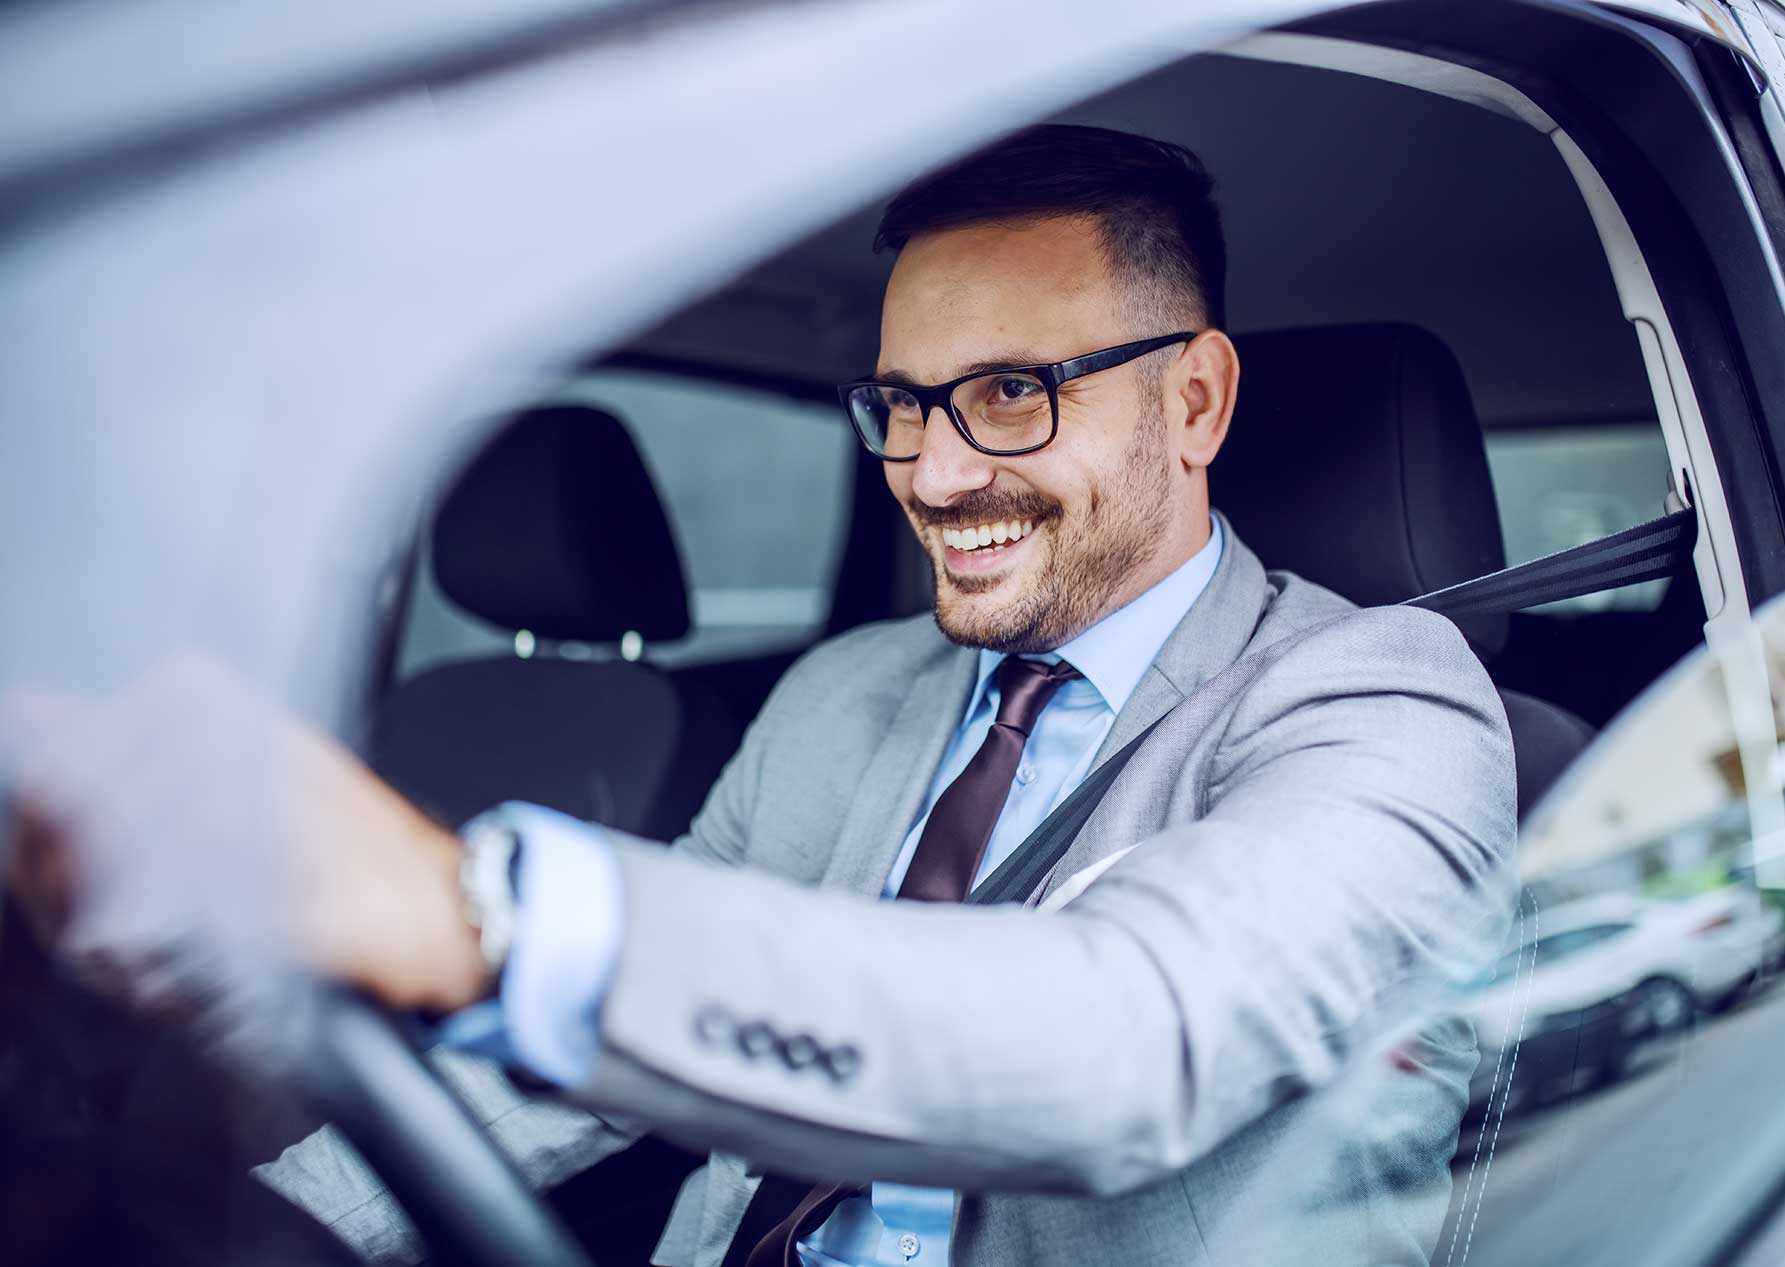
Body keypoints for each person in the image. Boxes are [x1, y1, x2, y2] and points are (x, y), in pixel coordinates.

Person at [4, 125, 1517, 1266]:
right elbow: (576, 1083)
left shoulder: (1384, 712)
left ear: (1192, 403)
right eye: (904, 405)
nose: (931, 472)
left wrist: (480, 920)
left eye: (1009, 395)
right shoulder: (845, 693)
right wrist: (268, 1228)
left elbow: (1131, 1041)